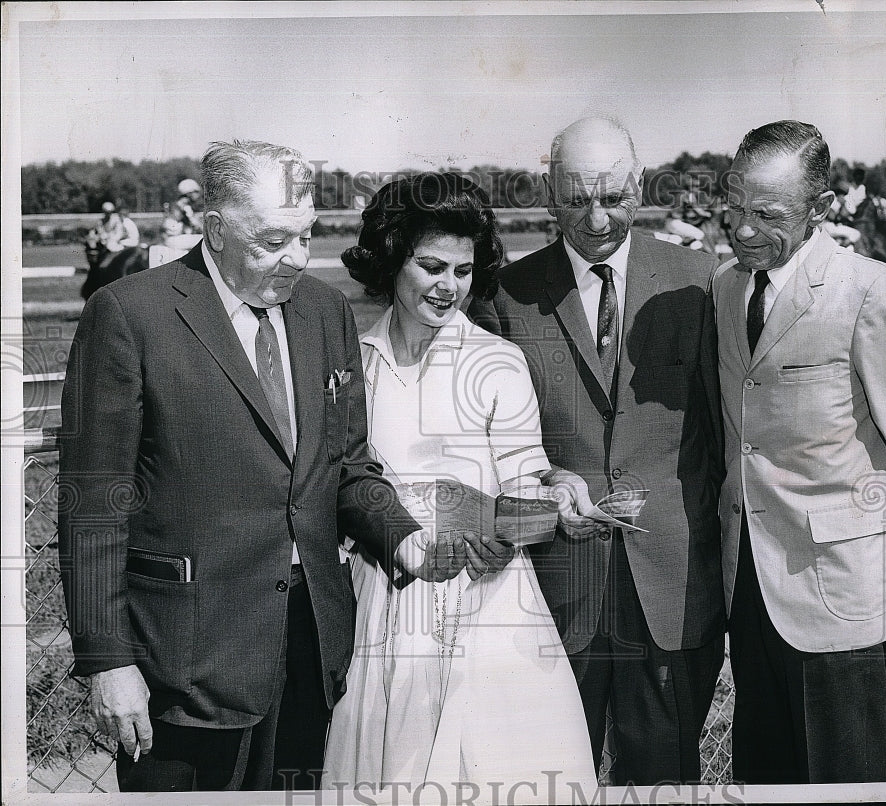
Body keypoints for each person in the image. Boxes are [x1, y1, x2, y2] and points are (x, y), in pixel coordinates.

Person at [58, 140, 465, 792]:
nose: (297, 259)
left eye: (306, 236)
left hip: (310, 645)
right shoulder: (130, 314)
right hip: (182, 660)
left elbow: (349, 465)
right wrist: (109, 662)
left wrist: (406, 537)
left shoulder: (324, 311)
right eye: (273, 241)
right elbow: (92, 503)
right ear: (215, 229)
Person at [322, 173, 596, 798]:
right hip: (382, 605)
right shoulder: (352, 364)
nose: (449, 286)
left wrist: (516, 527)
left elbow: (524, 486)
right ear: (392, 258)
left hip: (489, 608)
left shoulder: (497, 361)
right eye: (431, 266)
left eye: (464, 271)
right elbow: (339, 488)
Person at [470, 117, 726, 786]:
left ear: (639, 188)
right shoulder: (504, 295)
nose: (596, 217)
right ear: (548, 193)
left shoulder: (699, 281)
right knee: (552, 779)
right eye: (577, 197)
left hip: (671, 589)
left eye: (613, 196)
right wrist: (547, 488)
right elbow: (489, 447)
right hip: (556, 591)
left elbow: (725, 437)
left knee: (664, 779)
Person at [714, 120, 886, 783]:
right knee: (764, 780)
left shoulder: (872, 291)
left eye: (767, 215)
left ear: (820, 209)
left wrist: (870, 552)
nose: (742, 230)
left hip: (844, 601)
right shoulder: (725, 288)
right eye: (733, 209)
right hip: (750, 593)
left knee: (842, 784)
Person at [161, 177, 203, 248]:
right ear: (189, 193)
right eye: (196, 192)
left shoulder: (177, 203)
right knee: (205, 240)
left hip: (170, 238)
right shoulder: (185, 206)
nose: (198, 195)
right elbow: (196, 224)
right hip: (175, 239)